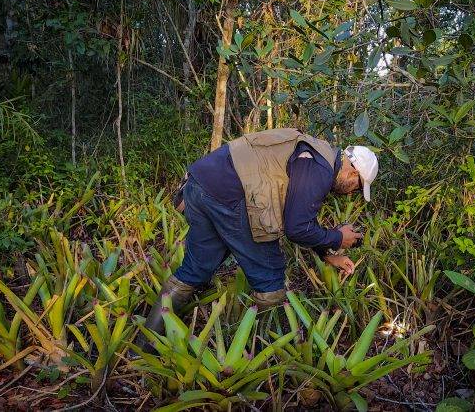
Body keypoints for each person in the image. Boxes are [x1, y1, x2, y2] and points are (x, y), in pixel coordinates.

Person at [140, 128, 379, 340]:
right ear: (353, 171)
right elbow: (297, 228)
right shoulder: (319, 168)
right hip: (231, 196)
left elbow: (301, 217)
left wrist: (327, 253)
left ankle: (143, 346)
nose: (352, 193)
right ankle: (259, 352)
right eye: (357, 186)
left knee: (195, 269)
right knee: (270, 279)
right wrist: (338, 238)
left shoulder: (315, 154)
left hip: (200, 185)